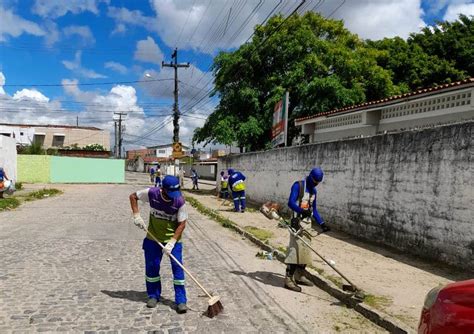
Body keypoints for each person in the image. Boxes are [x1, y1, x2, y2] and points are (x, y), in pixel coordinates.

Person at [129, 175, 188, 313]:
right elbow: (133, 196)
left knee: (178, 270)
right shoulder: (152, 193)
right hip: (153, 238)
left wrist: (172, 243)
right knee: (152, 268)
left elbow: (182, 224)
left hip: (173, 240)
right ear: (163, 189)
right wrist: (136, 215)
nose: (174, 196)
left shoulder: (180, 201)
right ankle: (153, 295)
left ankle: (181, 300)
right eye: (171, 193)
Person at [284, 167, 329, 292]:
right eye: (315, 181)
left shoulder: (314, 191)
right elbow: (290, 202)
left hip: (307, 224)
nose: (316, 184)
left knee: (305, 250)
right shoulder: (298, 186)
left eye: (318, 182)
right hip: (296, 223)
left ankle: (300, 275)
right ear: (310, 177)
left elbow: (313, 210)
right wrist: (301, 211)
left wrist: (322, 223)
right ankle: (288, 279)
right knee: (295, 250)